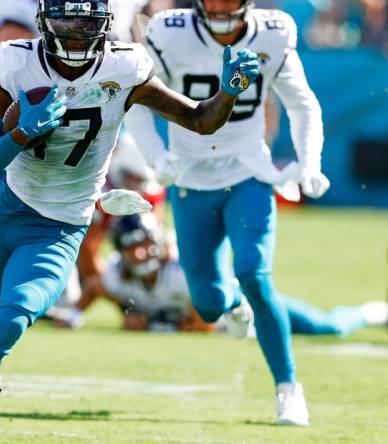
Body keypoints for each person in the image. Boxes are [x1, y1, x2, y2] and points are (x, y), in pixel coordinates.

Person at [0, 1, 262, 442]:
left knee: (10, 320)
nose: (77, 31)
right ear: (44, 19)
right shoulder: (16, 61)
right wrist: (20, 134)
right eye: (67, 19)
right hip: (5, 212)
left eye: (87, 20)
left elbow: (199, 119)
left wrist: (229, 92)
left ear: (105, 23)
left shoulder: (126, 66)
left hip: (58, 228)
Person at [126, 0, 330, 426]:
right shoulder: (170, 31)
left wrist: (309, 162)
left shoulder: (273, 32)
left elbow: (303, 105)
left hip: (247, 173)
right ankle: (234, 303)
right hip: (190, 177)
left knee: (255, 271)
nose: (220, 5)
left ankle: (287, 387)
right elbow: (138, 99)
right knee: (209, 304)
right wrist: (156, 158)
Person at [56, 214, 388, 337]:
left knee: (323, 327)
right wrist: (74, 314)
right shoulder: (119, 275)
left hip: (242, 308)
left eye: (144, 245)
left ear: (158, 243)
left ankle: (374, 312)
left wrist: (150, 324)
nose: (140, 254)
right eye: (131, 249)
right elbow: (97, 286)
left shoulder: (181, 272)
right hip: (227, 329)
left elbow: (203, 323)